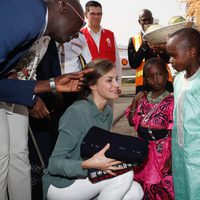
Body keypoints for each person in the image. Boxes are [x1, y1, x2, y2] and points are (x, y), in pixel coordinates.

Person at [0, 0, 92, 199]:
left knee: (18, 156)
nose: (78, 33)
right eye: (80, 23)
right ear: (63, 6)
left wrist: (52, 84)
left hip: (14, 92)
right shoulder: (28, 13)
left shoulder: (43, 30)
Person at [42, 59, 144, 200]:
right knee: (124, 176)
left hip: (86, 178)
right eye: (109, 80)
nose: (116, 85)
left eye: (116, 79)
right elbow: (54, 164)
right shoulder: (77, 112)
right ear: (92, 85)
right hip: (61, 185)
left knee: (136, 191)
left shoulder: (107, 112)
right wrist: (86, 164)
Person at [29, 33, 92, 166]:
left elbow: (87, 62)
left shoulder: (78, 37)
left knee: (66, 130)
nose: (74, 34)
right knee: (42, 137)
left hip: (69, 91)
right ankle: (43, 169)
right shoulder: (39, 34)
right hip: (39, 92)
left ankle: (64, 164)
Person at [126, 58, 174, 199]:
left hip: (162, 152)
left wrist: (171, 156)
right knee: (141, 186)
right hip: (142, 151)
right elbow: (131, 122)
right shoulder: (143, 99)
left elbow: (174, 131)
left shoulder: (172, 101)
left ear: (166, 75)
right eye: (150, 76)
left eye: (159, 74)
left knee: (160, 187)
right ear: (145, 79)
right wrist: (135, 101)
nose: (155, 79)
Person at [166, 27, 200, 200]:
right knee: (182, 188)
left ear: (192, 51)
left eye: (174, 55)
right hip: (180, 150)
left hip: (197, 153)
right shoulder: (178, 79)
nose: (170, 60)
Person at [127, 9, 173, 94]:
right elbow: (133, 64)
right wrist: (143, 46)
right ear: (139, 22)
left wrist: (160, 50)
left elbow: (168, 59)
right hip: (143, 85)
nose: (147, 22)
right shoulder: (133, 40)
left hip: (164, 83)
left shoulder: (162, 37)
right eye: (144, 20)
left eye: (149, 19)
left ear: (152, 19)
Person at [81, 0, 121, 84]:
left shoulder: (110, 35)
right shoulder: (79, 36)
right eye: (92, 14)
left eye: (99, 14)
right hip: (88, 84)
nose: (96, 17)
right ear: (86, 14)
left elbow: (117, 62)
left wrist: (118, 84)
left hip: (108, 85)